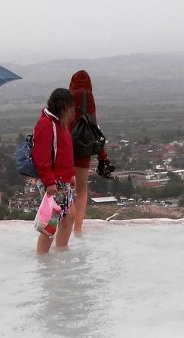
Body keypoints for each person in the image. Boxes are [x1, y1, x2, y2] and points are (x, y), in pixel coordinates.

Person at [68, 70, 114, 238]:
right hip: (83, 146)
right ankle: (77, 228)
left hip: (66, 146)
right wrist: (102, 154)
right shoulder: (88, 96)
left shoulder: (66, 96)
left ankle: (63, 224)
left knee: (64, 189)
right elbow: (93, 124)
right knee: (81, 190)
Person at [33, 88, 77, 255]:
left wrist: (70, 173)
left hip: (62, 179)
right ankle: (43, 258)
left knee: (69, 215)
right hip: (54, 181)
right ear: (63, 107)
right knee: (50, 224)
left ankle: (61, 250)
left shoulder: (60, 124)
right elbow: (41, 156)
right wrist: (49, 182)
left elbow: (65, 152)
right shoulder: (46, 124)